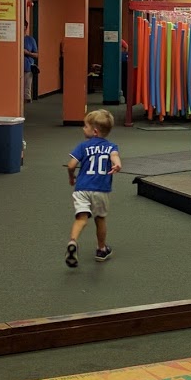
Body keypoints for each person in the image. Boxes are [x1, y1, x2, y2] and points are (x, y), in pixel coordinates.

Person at [64, 109, 121, 267]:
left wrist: (71, 177)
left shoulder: (83, 146)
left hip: (82, 188)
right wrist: (117, 165)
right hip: (100, 189)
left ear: (94, 131)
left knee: (81, 218)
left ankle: (73, 241)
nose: (83, 128)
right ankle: (101, 249)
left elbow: (71, 165)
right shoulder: (111, 146)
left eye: (85, 126)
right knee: (100, 218)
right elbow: (115, 157)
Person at [22, 20, 39, 102]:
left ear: (25, 27)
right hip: (14, 68)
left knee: (27, 89)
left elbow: (36, 55)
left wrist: (27, 53)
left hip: (27, 67)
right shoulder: (15, 39)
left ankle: (27, 101)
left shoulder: (30, 39)